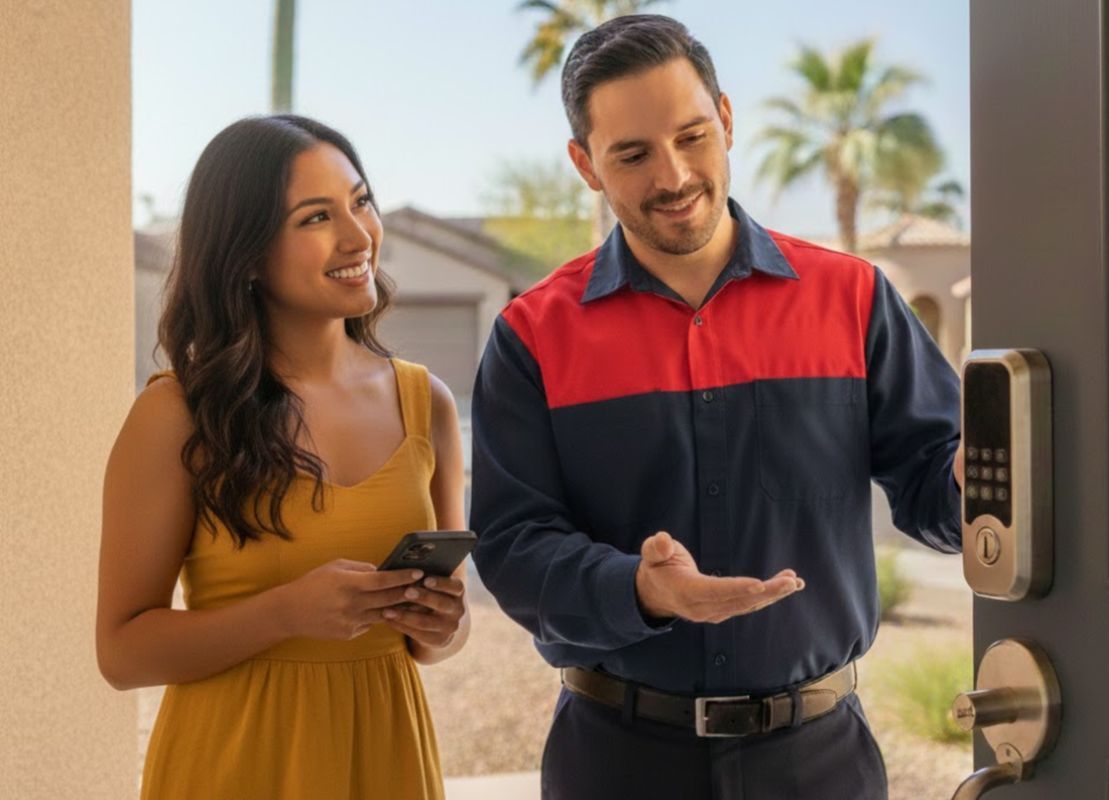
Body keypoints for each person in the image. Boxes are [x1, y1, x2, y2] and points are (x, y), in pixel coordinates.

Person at [469, 15, 964, 800]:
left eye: (692, 136)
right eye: (631, 155)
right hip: (617, 765)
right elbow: (513, 548)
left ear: (726, 120)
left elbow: (939, 500)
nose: (673, 176)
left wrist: (980, 472)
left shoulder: (855, 299)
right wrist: (639, 589)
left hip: (820, 765)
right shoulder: (532, 335)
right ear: (585, 165)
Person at [95, 115, 469, 800]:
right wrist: (284, 615)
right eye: (316, 217)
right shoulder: (175, 416)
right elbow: (120, 653)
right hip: (234, 765)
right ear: (245, 252)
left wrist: (446, 623)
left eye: (360, 201)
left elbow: (436, 642)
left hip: (388, 762)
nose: (359, 236)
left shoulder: (429, 404)